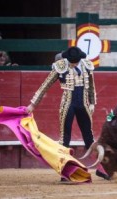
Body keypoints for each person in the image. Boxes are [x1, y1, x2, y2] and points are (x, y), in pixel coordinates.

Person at [26, 46, 109, 182]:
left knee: (89, 137)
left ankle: (100, 169)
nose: (73, 64)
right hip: (67, 105)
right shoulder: (60, 66)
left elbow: (92, 86)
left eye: (75, 62)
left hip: (83, 105)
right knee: (65, 138)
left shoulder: (87, 66)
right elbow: (44, 86)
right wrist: (32, 104)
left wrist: (93, 102)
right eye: (71, 62)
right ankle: (65, 171)